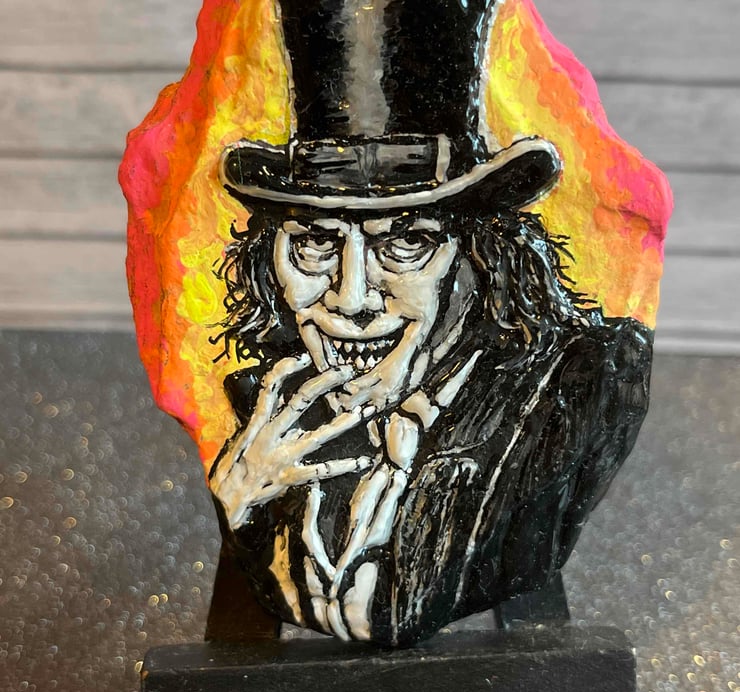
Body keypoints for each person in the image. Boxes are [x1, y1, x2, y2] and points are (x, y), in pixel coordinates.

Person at [207, 0, 653, 646]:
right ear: (267, 260)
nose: (352, 299)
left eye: (406, 243)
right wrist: (238, 499)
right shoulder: (258, 415)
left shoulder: (577, 391)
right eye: (314, 244)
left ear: (482, 261)